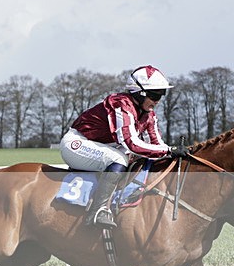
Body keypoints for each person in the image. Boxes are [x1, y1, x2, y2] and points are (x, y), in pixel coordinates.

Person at [60, 65, 189, 228]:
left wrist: (172, 152)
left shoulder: (149, 114)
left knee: (136, 157)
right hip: (76, 144)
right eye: (155, 95)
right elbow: (132, 143)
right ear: (139, 93)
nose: (158, 100)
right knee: (119, 158)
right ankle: (97, 210)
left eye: (162, 94)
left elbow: (156, 145)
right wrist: (169, 150)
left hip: (101, 145)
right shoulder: (122, 105)